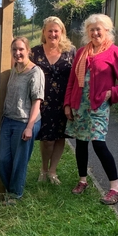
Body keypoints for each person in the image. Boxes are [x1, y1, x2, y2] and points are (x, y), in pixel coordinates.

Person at [64, 14, 118, 205]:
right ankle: (82, 180)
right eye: (91, 29)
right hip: (80, 105)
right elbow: (71, 81)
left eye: (98, 29)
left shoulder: (114, 52)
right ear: (87, 32)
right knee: (81, 143)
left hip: (99, 105)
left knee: (98, 143)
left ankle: (115, 188)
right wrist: (68, 103)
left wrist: (111, 93)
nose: (95, 33)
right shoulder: (81, 53)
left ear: (107, 31)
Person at [0, 37, 45, 205]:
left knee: (19, 160)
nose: (17, 53)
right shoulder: (14, 69)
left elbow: (37, 101)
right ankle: (10, 189)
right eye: (14, 50)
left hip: (25, 122)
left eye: (21, 49)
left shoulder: (35, 71)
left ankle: (15, 194)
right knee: (3, 159)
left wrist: (30, 127)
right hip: (8, 119)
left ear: (28, 50)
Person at [31, 16, 76, 185]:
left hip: (63, 102)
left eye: (56, 31)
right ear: (44, 32)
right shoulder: (34, 52)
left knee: (59, 137)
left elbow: (76, 78)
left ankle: (53, 171)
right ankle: (43, 168)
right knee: (47, 139)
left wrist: (71, 103)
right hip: (41, 102)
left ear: (62, 32)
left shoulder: (71, 51)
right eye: (49, 30)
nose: (53, 34)